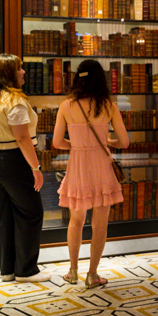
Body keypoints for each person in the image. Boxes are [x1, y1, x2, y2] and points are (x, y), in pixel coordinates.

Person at [53, 59, 129, 288]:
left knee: (76, 220)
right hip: (102, 166)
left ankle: (73, 271)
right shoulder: (108, 106)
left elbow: (57, 142)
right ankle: (92, 275)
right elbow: (124, 142)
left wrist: (76, 145)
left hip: (78, 166)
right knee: (100, 224)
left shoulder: (66, 106)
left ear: (78, 78)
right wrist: (107, 142)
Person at [0, 54, 49, 283]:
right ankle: (26, 270)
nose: (24, 72)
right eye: (20, 68)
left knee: (4, 216)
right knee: (32, 213)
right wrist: (35, 167)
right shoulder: (15, 102)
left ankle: (7, 269)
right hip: (15, 162)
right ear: (10, 73)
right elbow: (22, 138)